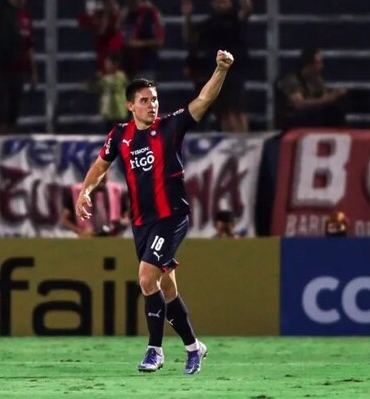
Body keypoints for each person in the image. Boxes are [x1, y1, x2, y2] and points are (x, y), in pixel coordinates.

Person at [75, 50, 235, 374]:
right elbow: (100, 166)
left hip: (172, 216)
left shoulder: (170, 127)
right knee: (166, 287)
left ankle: (154, 350)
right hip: (142, 223)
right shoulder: (120, 135)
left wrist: (220, 69)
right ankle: (194, 347)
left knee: (146, 278)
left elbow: (203, 100)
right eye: (145, 100)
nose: (153, 105)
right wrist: (86, 191)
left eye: (155, 99)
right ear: (130, 106)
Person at [182, 0, 252, 133]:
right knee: (225, 114)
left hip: (235, 71)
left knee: (238, 112)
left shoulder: (236, 20)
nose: (220, 4)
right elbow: (189, 38)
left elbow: (246, 10)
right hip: (216, 72)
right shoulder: (209, 24)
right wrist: (187, 16)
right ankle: (230, 145)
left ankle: (243, 144)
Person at [0, 0, 38, 134]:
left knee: (12, 115)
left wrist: (33, 71)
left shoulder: (25, 17)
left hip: (18, 71)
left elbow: (29, 46)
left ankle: (9, 148)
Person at [275, 48, 347, 130]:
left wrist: (335, 94)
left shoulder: (316, 79)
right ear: (308, 65)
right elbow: (299, 104)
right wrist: (327, 99)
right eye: (318, 63)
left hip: (310, 116)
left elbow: (323, 94)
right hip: (294, 119)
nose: (321, 67)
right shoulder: (292, 79)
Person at [61, 173, 129, 237]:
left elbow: (126, 219)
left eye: (103, 176)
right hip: (86, 237)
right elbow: (65, 220)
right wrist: (80, 232)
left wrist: (119, 222)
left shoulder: (118, 191)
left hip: (112, 237)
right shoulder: (76, 191)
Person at [77, 0, 124, 74]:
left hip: (112, 48)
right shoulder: (98, 14)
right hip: (101, 49)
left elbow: (115, 29)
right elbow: (83, 20)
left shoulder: (117, 16)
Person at [121, 0, 164, 79]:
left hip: (146, 66)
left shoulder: (151, 13)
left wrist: (139, 44)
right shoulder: (127, 14)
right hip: (128, 65)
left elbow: (159, 40)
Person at [88, 53, 130, 131]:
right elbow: (96, 88)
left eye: (108, 63)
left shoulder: (120, 76)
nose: (106, 66)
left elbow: (115, 86)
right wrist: (93, 82)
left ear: (115, 65)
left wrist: (103, 79)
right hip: (108, 112)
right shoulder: (105, 78)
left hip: (119, 111)